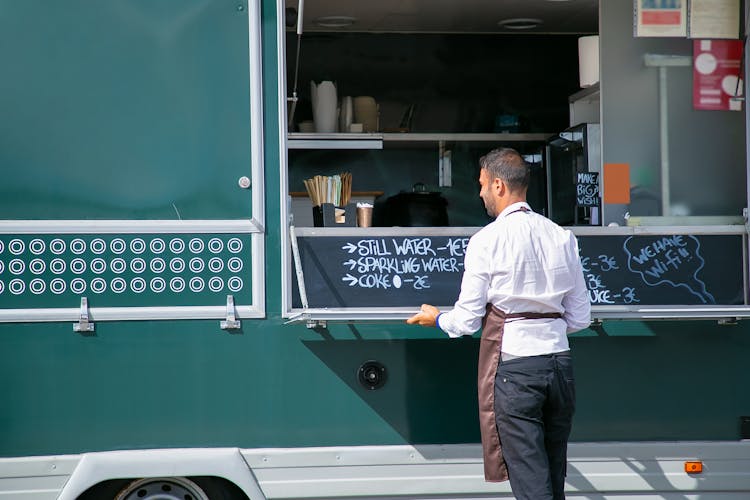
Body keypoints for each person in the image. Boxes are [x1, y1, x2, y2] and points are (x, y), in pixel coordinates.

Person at [406, 147, 590, 500]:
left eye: (482, 185)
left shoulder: (486, 241)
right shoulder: (563, 237)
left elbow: (467, 320)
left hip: (516, 368)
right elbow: (580, 317)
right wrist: (543, 324)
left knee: (532, 483)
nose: (479, 193)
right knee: (552, 475)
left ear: (499, 185)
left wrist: (438, 318)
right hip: (560, 365)